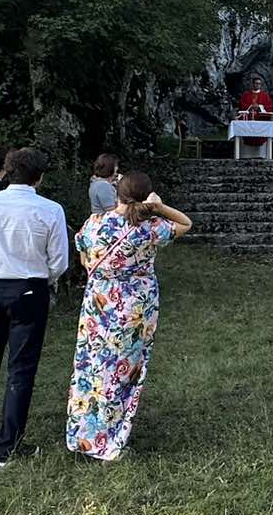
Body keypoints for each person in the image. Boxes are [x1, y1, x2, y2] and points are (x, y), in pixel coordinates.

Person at [0, 147, 70, 473]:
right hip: (28, 288)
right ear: (40, 177)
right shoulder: (50, 209)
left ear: (7, 172)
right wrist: (43, 278)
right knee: (20, 370)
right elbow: (59, 261)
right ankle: (8, 449)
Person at [67, 172, 192, 461]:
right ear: (146, 197)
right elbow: (186, 223)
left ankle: (82, 434)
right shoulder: (148, 229)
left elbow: (84, 257)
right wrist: (159, 207)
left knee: (90, 364)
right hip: (133, 310)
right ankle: (109, 439)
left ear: (117, 193)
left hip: (97, 306)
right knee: (122, 370)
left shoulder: (93, 223)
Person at [235, 73, 273, 157]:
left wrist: (260, 106)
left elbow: (270, 107)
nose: (258, 85)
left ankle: (262, 155)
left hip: (261, 119)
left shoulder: (265, 96)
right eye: (256, 83)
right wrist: (251, 106)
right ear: (252, 84)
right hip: (248, 119)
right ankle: (245, 155)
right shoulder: (246, 95)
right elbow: (241, 105)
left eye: (259, 84)